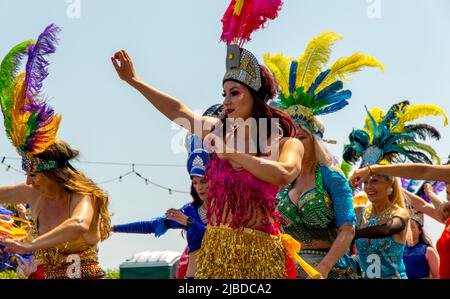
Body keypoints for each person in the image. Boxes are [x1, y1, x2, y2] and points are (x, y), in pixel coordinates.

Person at [111, 0, 319, 279]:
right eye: (224, 94)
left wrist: (233, 154)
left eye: (234, 93)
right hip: (215, 254)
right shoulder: (219, 130)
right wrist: (135, 82)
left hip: (260, 258)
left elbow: (283, 174)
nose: (226, 101)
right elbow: (178, 111)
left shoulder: (283, 143)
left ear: (254, 96)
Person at [264, 31, 384, 279]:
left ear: (315, 142)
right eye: (292, 137)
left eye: (303, 137)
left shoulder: (331, 177)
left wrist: (323, 268)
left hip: (328, 269)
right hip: (287, 269)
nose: (297, 143)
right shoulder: (283, 180)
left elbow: (348, 228)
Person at [0, 24, 111, 279]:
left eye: (33, 173)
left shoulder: (84, 196)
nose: (28, 180)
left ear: (52, 172)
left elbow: (78, 224)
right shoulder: (32, 193)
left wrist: (29, 246)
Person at [343, 100, 446, 279]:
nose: (369, 187)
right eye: (366, 182)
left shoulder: (400, 213)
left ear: (390, 184)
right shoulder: (360, 213)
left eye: (374, 181)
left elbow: (386, 230)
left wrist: (355, 233)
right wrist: (347, 189)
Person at [112, 133, 211, 279]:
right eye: (195, 183)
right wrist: (114, 228)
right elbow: (151, 226)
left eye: (203, 181)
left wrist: (190, 223)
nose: (199, 187)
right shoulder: (190, 211)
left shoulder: (227, 210)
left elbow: (219, 239)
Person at [403, 213, 440, 279]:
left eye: (412, 227)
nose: (409, 230)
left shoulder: (428, 250)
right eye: (407, 228)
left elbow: (437, 276)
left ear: (420, 231)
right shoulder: (399, 250)